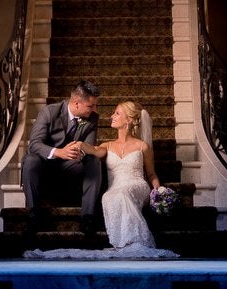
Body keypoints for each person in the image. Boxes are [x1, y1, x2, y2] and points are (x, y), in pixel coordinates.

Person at [26, 98, 179, 259]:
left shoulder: (143, 146)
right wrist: (79, 144)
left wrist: (158, 189)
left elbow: (151, 174)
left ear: (129, 120)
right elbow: (93, 150)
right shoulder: (107, 145)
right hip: (115, 187)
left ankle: (137, 241)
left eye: (117, 113)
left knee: (123, 193)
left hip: (137, 185)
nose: (111, 116)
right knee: (109, 196)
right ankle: (122, 244)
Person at [20, 80, 103, 237]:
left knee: (94, 161)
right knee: (30, 159)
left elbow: (89, 146)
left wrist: (80, 151)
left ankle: (87, 218)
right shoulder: (49, 111)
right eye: (90, 106)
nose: (94, 110)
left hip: (71, 166)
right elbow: (35, 144)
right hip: (45, 166)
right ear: (77, 103)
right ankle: (33, 216)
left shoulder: (92, 118)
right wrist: (58, 152)